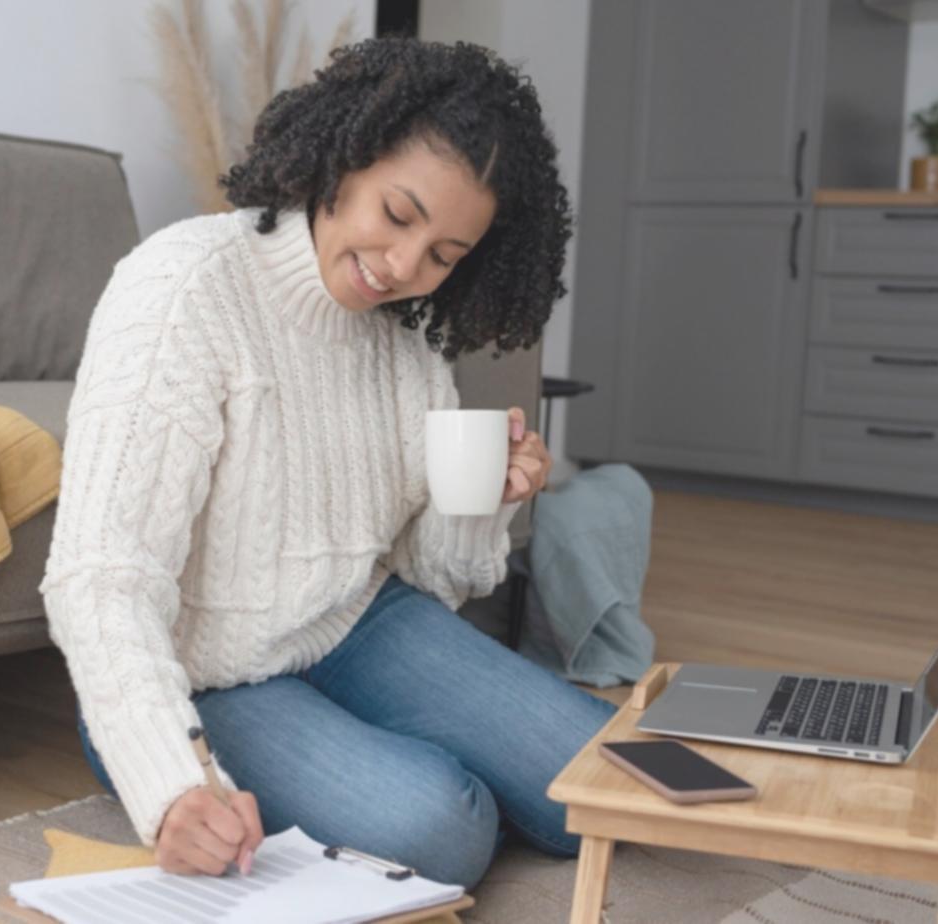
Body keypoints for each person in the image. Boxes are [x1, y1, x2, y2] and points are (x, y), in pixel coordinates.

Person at [40, 37, 616, 890]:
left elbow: (433, 574)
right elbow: (100, 576)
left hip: (359, 622)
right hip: (207, 672)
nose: (402, 268)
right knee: (442, 829)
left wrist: (481, 499)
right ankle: (337, 762)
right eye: (397, 214)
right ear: (343, 155)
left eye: (444, 256)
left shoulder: (406, 339)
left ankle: (366, 750)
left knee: (604, 781)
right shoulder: (182, 289)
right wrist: (170, 785)